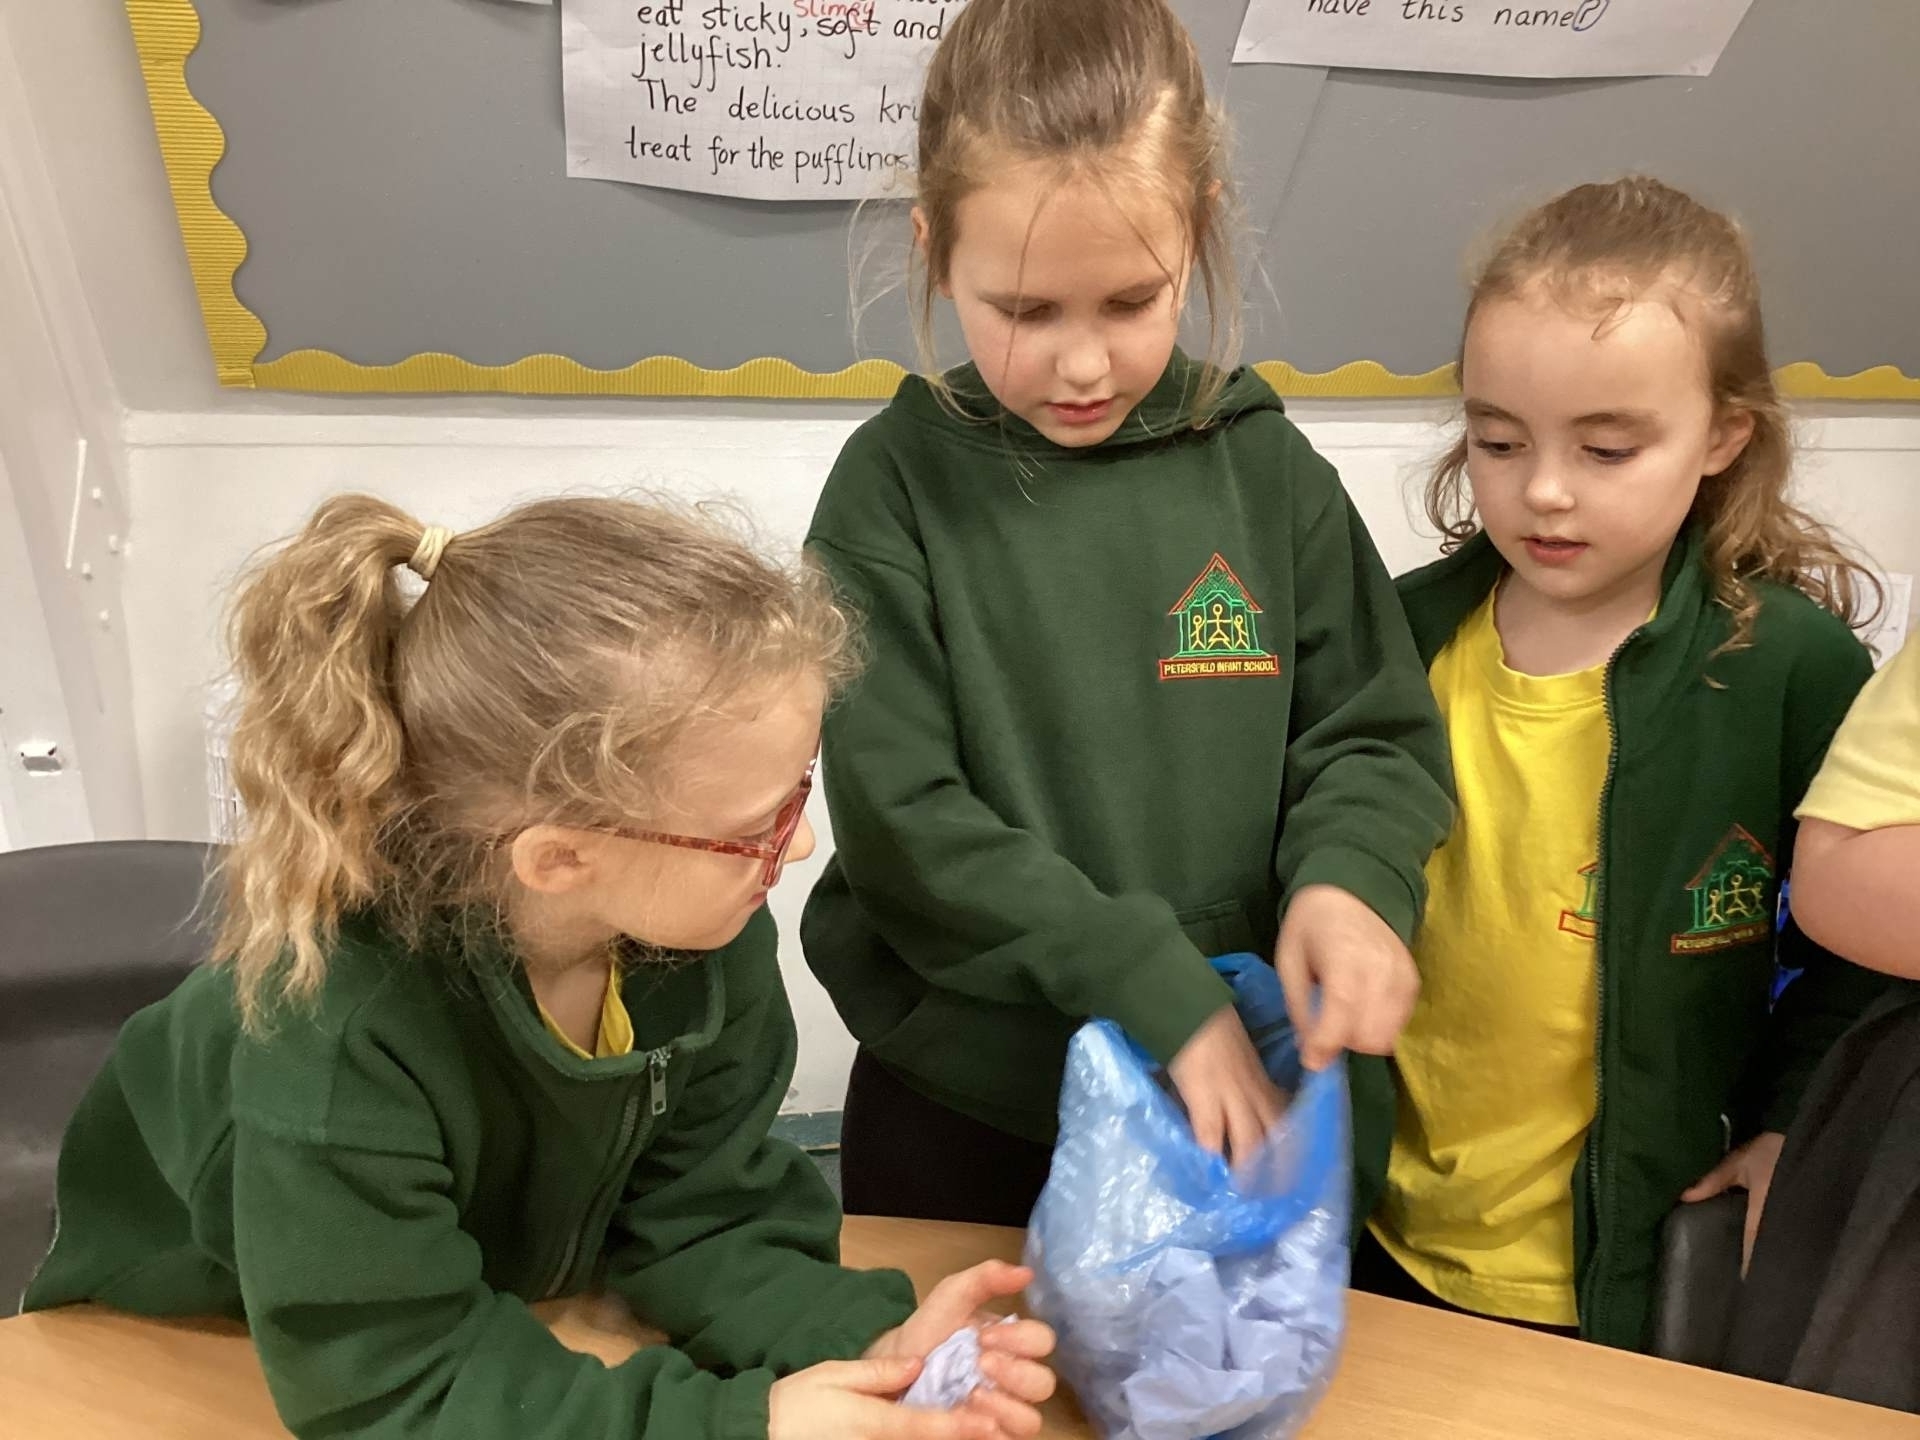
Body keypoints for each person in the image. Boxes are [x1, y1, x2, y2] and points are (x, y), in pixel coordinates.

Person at [22, 494, 1055, 1440]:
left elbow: (710, 1212)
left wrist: (859, 1343)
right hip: (207, 1337)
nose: (798, 847)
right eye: (757, 826)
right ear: (559, 860)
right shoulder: (335, 1031)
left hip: (483, 1305)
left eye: (798, 791)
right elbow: (399, 1380)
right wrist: (748, 1424)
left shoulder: (700, 937)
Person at [803, 0, 1454, 1228]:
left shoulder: (1268, 473)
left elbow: (1370, 732)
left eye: (1131, 301)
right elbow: (904, 822)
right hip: (974, 1109)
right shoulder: (890, 490)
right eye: (1025, 311)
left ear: (1198, 234)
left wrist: (1351, 882)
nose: (1084, 364)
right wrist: (1147, 980)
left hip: (1237, 1096)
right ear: (934, 250)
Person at [1359, 177, 1889, 1350]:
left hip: (1634, 1276)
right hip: (1377, 1242)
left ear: (1724, 436)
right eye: (1498, 440)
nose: (1543, 489)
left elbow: (1854, 955)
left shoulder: (1792, 667)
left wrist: (1790, 1124)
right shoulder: (1395, 639)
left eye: (1606, 448)